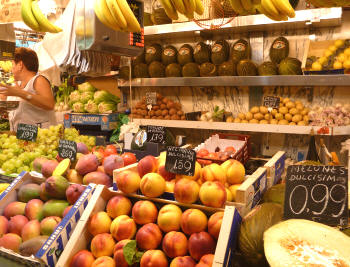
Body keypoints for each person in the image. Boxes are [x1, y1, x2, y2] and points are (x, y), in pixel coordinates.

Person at [0, 47, 56, 131]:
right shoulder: (17, 84)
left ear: (20, 65)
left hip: (39, 138)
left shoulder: (38, 80)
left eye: (13, 64)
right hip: (21, 138)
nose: (11, 69)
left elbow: (49, 104)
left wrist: (20, 93)